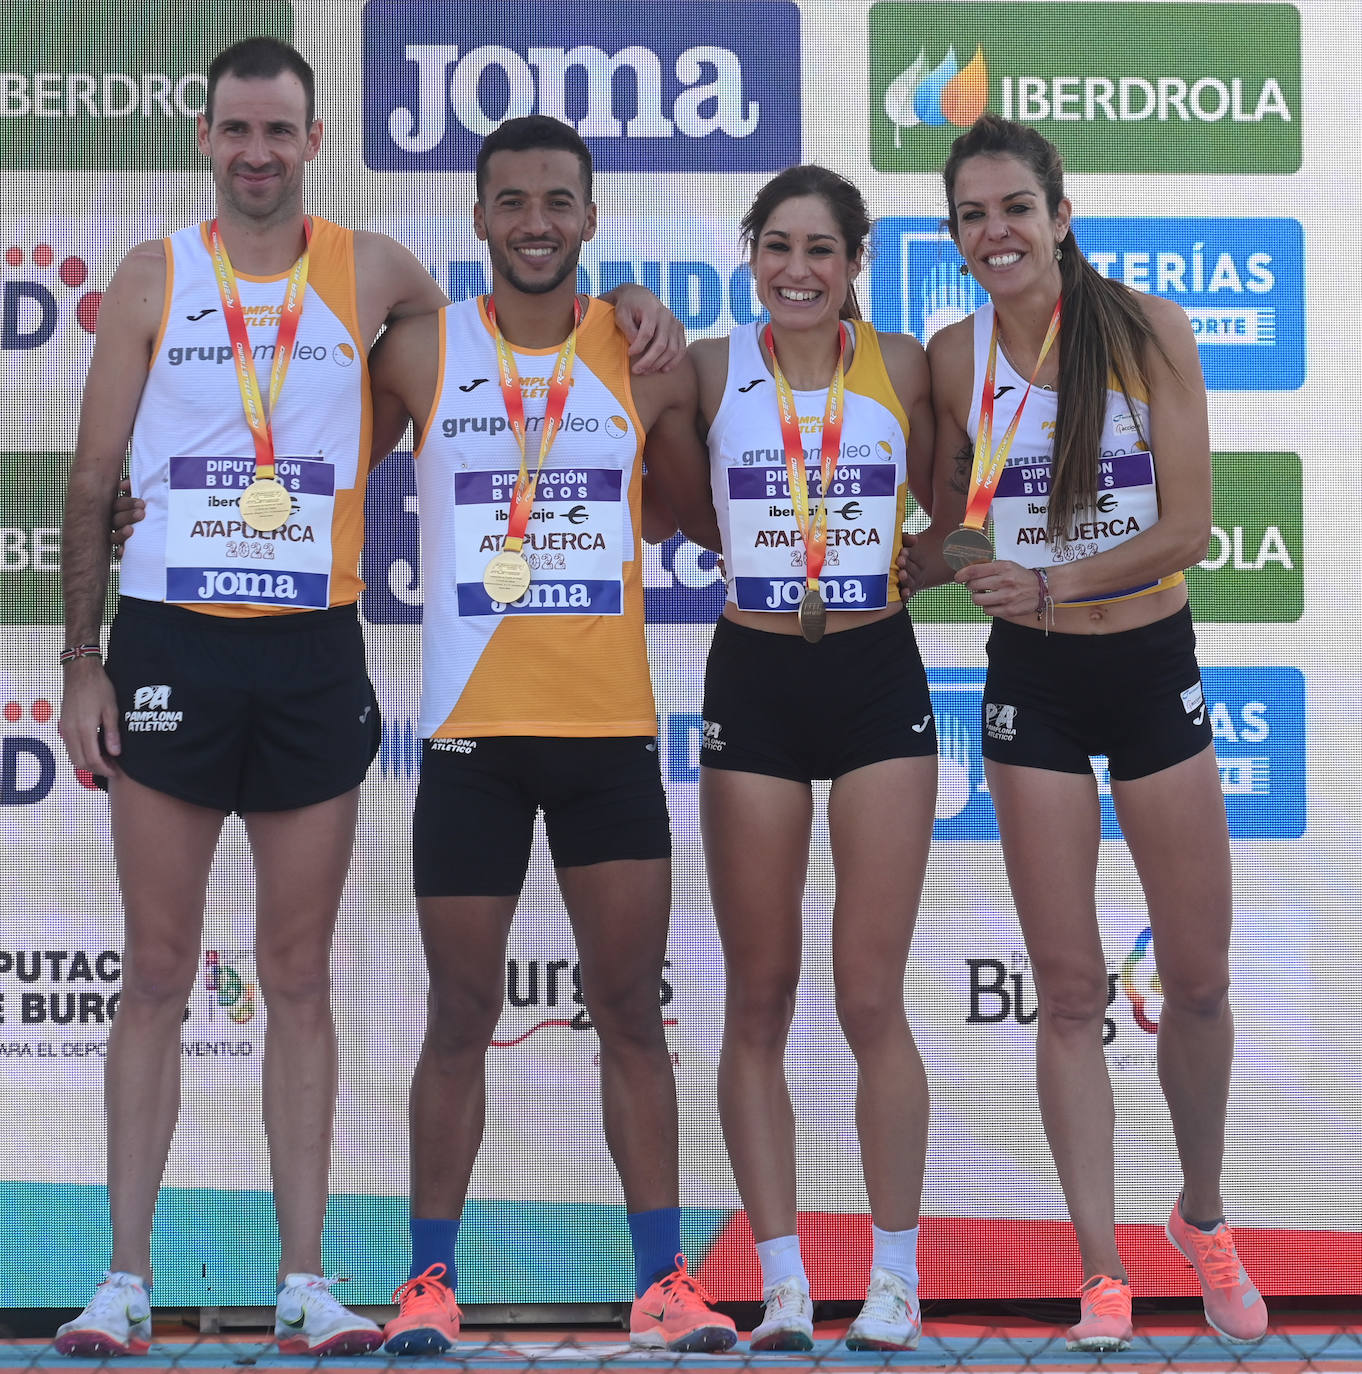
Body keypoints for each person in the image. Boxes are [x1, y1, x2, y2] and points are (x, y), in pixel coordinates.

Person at [54, 41, 678, 1358]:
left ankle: (302, 1280)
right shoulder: (154, 275)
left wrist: (630, 297)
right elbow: (91, 470)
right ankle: (121, 1279)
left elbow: (482, 371)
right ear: (206, 139)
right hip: (170, 642)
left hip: (314, 649)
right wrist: (80, 659)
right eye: (235, 128)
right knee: (158, 966)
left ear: (314, 135)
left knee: (296, 972)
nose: (256, 149)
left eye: (278, 127)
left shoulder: (385, 274)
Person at [364, 115, 736, 1356]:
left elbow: (700, 515)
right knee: (458, 1011)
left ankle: (664, 1284)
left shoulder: (649, 357)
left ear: (589, 217)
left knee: (630, 1008)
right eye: (511, 202)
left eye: (558, 203)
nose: (535, 223)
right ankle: (427, 1282)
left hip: (609, 735)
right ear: (477, 218)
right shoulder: (418, 351)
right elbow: (305, 451)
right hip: (470, 741)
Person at [909, 113, 1267, 1352]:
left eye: (1015, 207)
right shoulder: (956, 357)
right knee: (1068, 992)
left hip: (1150, 663)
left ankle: (1203, 1218)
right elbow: (958, 523)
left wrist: (1058, 581)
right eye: (972, 215)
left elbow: (1188, 532)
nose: (995, 232)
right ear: (953, 236)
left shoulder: (1143, 328)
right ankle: (1101, 1269)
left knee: (1202, 982)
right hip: (1035, 687)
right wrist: (928, 568)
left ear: (1059, 215)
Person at [686, 166, 938, 1352]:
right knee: (760, 997)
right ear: (750, 254)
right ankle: (782, 1280)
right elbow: (664, 497)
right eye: (778, 246)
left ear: (856, 262)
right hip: (755, 679)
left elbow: (954, 502)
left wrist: (932, 562)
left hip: (878, 676)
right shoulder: (700, 363)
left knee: (871, 994)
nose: (799, 269)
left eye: (822, 250)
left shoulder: (906, 363)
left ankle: (896, 1277)